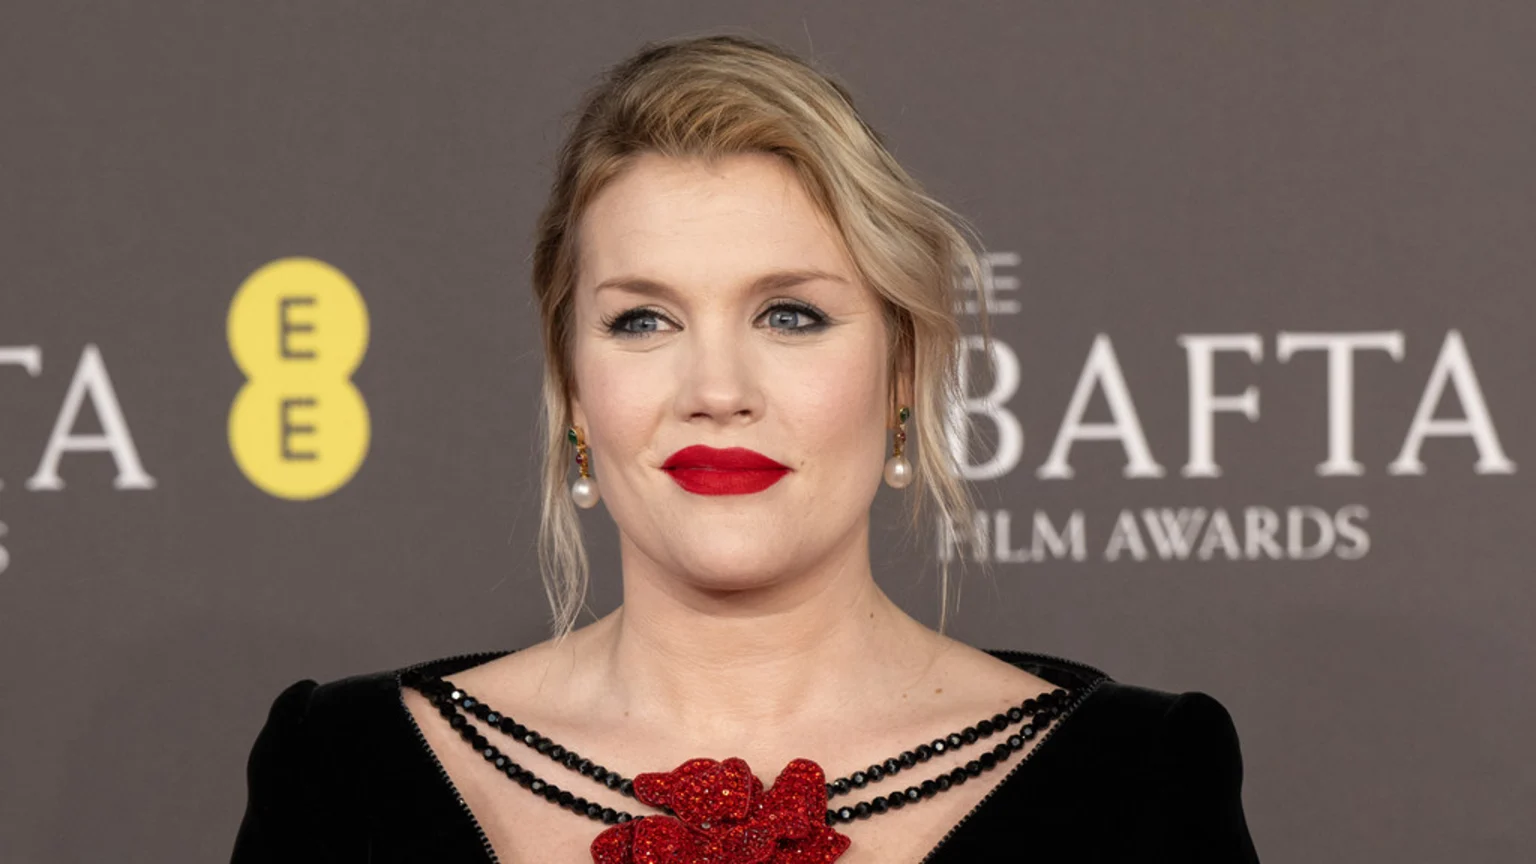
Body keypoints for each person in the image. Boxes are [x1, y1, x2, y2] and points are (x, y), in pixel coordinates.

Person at [231, 34, 1261, 864]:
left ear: (903, 378)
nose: (715, 392)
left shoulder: (1136, 784)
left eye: (791, 316)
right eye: (643, 321)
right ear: (573, 390)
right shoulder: (346, 772)